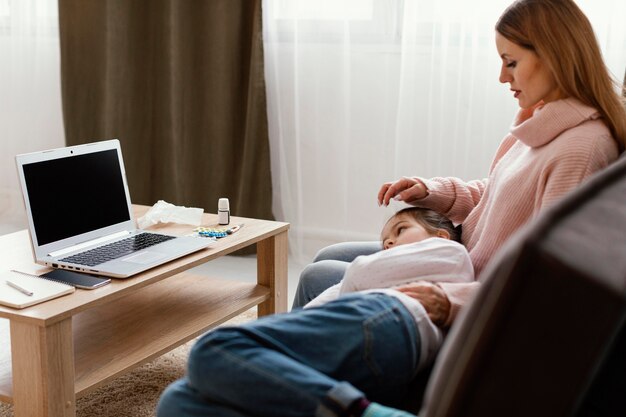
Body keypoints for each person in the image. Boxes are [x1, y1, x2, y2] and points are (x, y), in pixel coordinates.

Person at [157, 1, 625, 416]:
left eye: (510, 62)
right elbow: (496, 192)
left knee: (320, 278)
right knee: (326, 261)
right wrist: (431, 191)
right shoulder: (540, 123)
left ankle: (279, 370)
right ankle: (286, 373)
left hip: (468, 284)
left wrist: (450, 301)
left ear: (555, 54)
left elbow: (544, 288)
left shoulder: (580, 149)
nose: (502, 77)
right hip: (464, 257)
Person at [305, 207, 473, 313]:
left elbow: (359, 273)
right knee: (325, 258)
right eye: (385, 243)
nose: (389, 243)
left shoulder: (450, 253)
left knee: (315, 274)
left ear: (441, 236)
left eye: (400, 230)